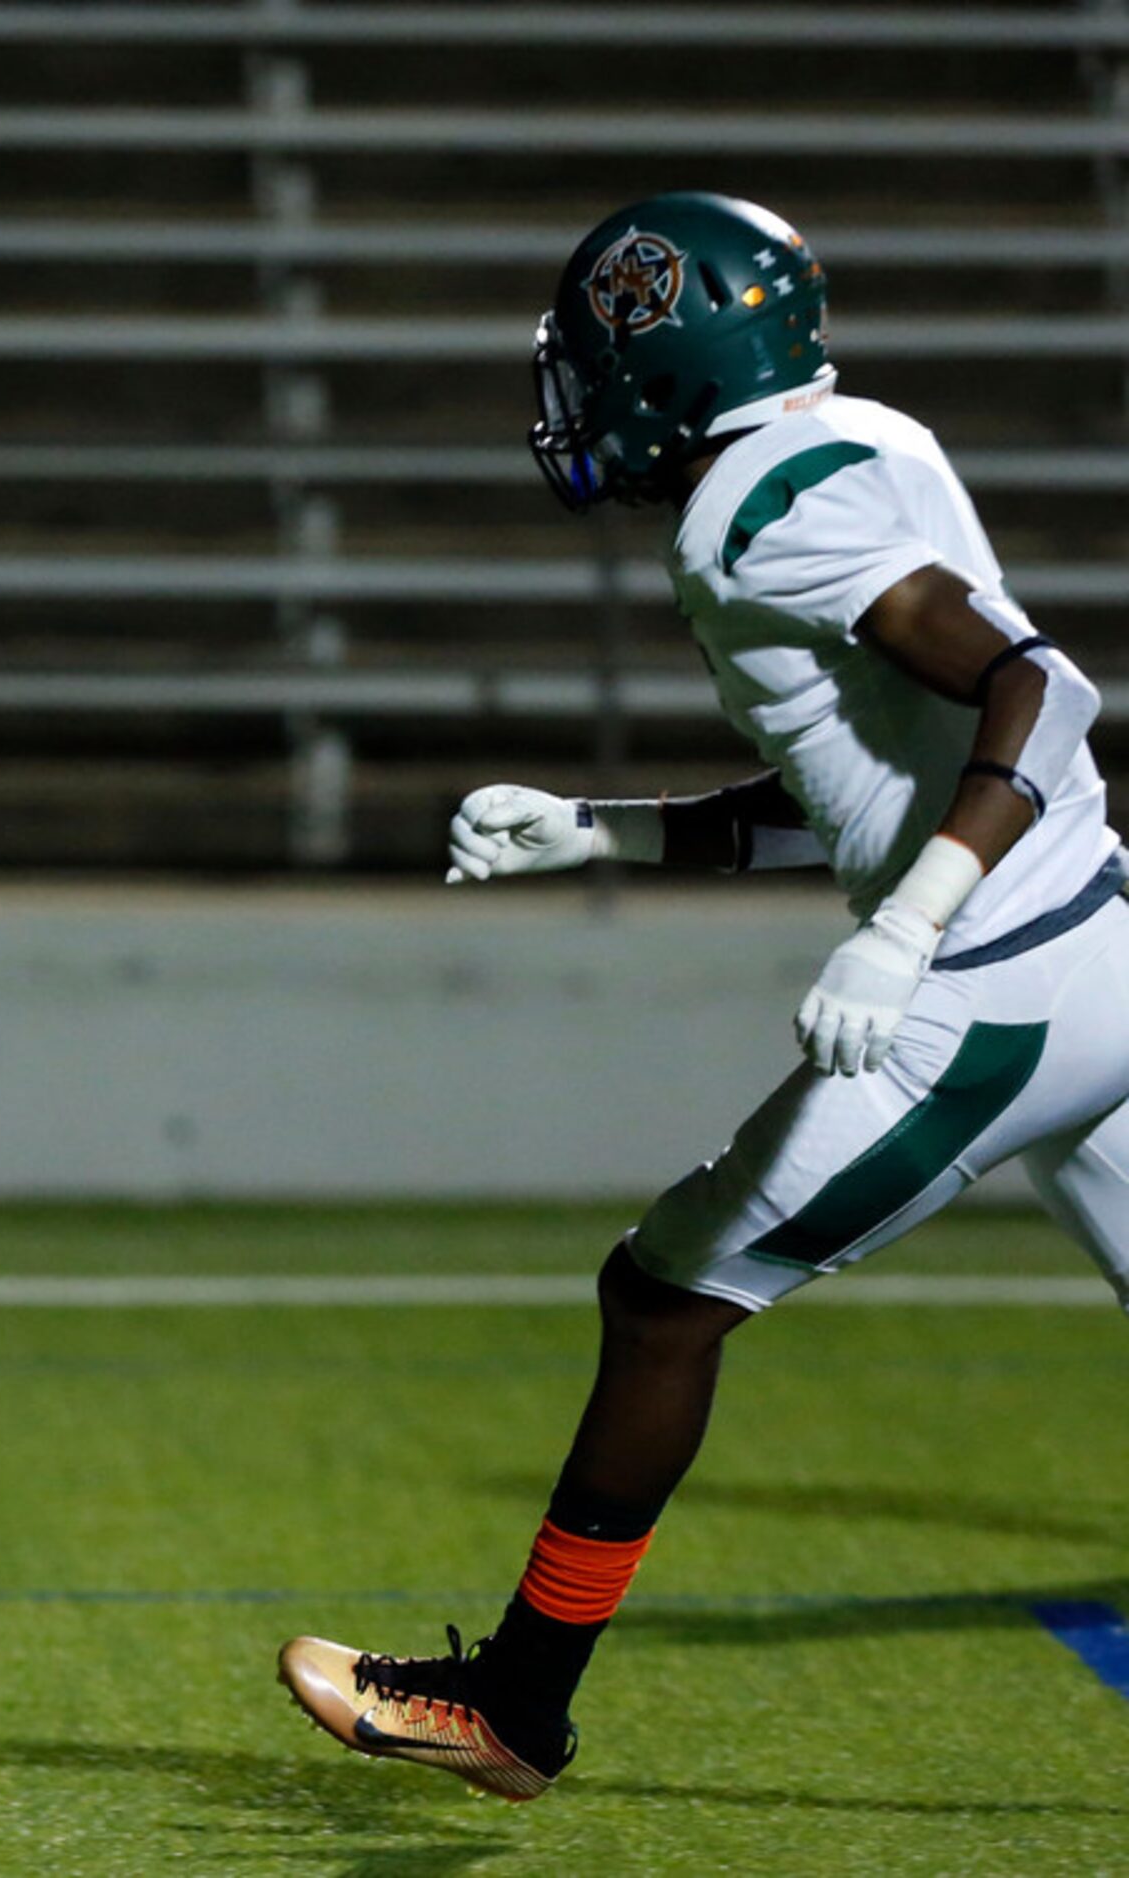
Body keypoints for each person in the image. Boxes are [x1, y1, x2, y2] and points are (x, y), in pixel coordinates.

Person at [279, 191, 1129, 1801]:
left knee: (664, 1296)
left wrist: (908, 930)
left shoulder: (753, 509)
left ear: (667, 370)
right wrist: (598, 829)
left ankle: (516, 1703)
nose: (579, 401)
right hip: (1102, 943)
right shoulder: (868, 436)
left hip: (997, 988)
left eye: (599, 366)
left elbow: (1044, 688)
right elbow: (871, 772)